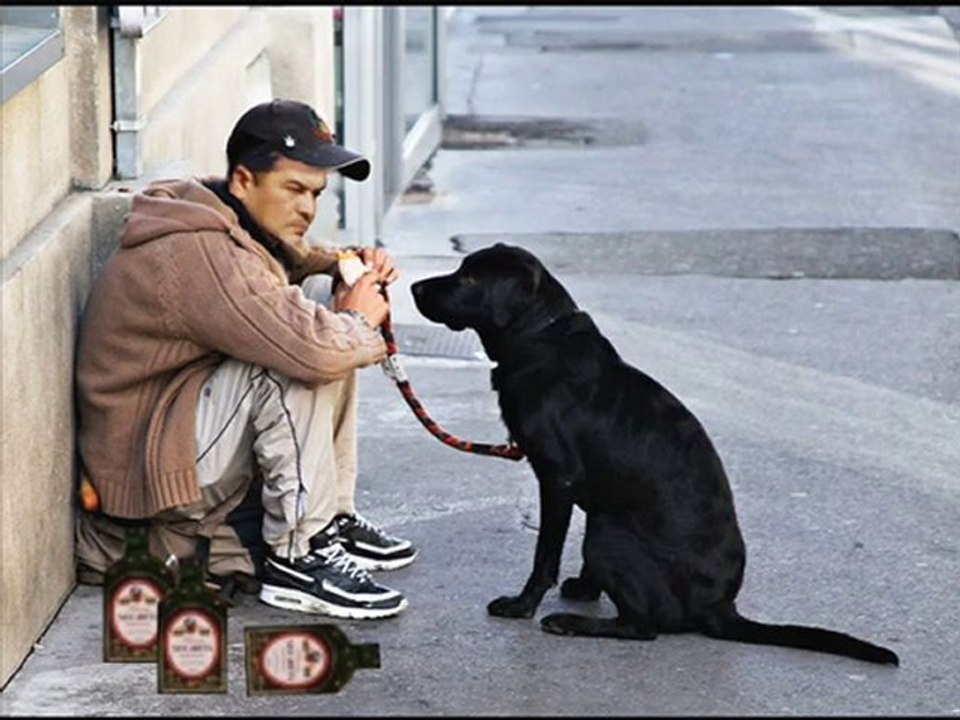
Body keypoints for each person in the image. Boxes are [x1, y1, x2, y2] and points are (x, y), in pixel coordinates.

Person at [74, 98, 416, 619]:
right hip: (148, 461)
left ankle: (329, 519)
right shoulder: (200, 251)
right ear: (242, 180)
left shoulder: (221, 220)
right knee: (294, 354)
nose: (308, 208)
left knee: (324, 302)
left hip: (180, 426)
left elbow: (282, 266)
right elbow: (305, 342)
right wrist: (362, 321)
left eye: (318, 194)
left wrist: (350, 264)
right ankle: (299, 555)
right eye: (295, 189)